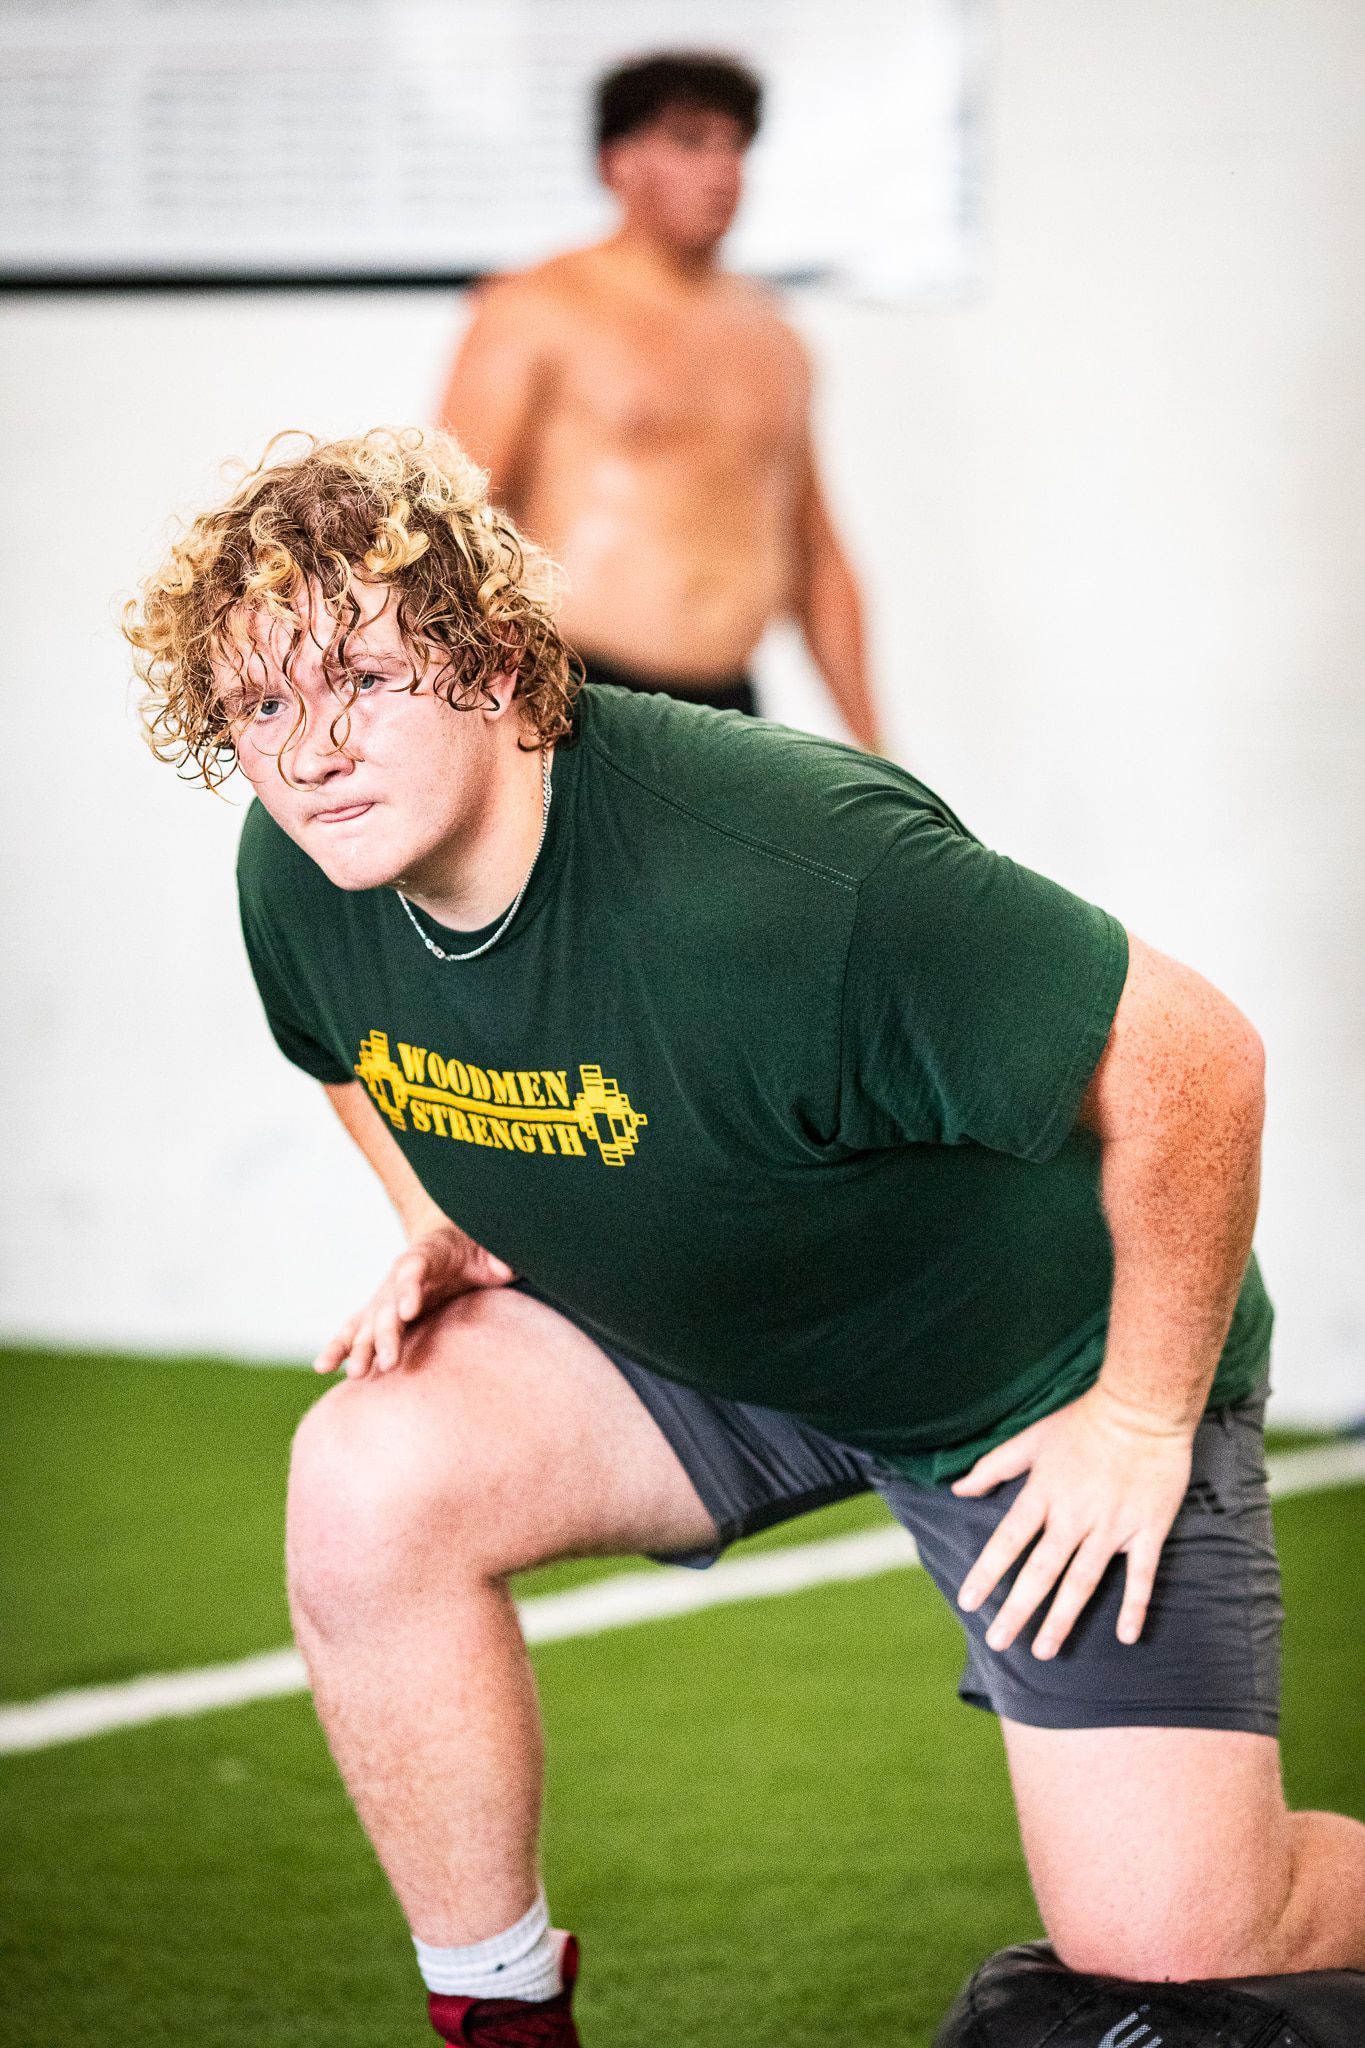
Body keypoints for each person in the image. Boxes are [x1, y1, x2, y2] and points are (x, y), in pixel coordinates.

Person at [125, 428, 1365, 2048]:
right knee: (370, 1478)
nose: (309, 753)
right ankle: (502, 2016)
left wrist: (1139, 1412)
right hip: (716, 1340)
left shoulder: (790, 871)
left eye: (358, 676)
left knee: (1179, 1933)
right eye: (262, 706)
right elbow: (339, 1052)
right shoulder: (305, 872)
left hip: (1035, 1368)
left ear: (496, 660)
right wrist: (437, 1207)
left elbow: (1201, 1063)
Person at [439, 51, 881, 749]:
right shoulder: (535, 309)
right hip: (573, 691)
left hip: (729, 705)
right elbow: (450, 524)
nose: (721, 171)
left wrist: (875, 747)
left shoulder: (775, 338)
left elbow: (816, 557)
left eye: (735, 145)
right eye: (688, 141)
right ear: (616, 163)